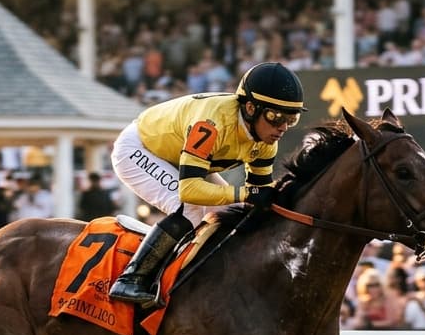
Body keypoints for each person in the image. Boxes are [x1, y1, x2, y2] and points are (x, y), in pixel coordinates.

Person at [107, 61, 305, 307]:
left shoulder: (266, 141)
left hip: (185, 158)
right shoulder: (211, 125)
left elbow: (259, 197)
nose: (283, 127)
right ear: (251, 108)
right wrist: (246, 194)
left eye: (291, 119)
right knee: (188, 208)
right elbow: (190, 189)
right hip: (140, 148)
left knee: (226, 213)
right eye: (276, 116)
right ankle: (131, 279)